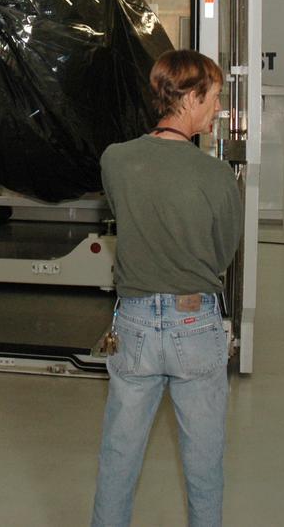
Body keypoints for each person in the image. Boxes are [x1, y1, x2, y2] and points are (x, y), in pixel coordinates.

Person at [91, 49, 243, 527]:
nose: (217, 109)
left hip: (132, 322)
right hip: (195, 322)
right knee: (204, 462)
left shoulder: (116, 159)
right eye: (214, 98)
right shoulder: (218, 176)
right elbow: (223, 254)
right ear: (191, 97)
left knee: (119, 453)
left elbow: (125, 216)